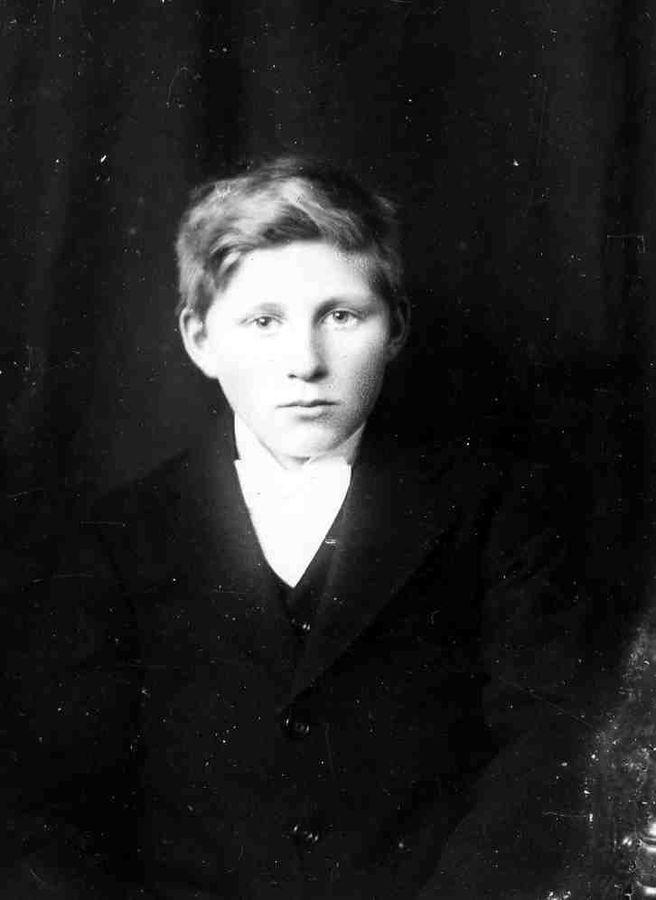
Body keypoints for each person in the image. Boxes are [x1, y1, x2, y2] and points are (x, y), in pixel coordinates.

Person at [2, 156, 594, 898]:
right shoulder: (120, 536)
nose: (305, 363)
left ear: (396, 327)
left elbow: (545, 752)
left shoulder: (496, 506)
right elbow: (52, 806)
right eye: (264, 321)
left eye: (342, 316)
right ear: (199, 339)